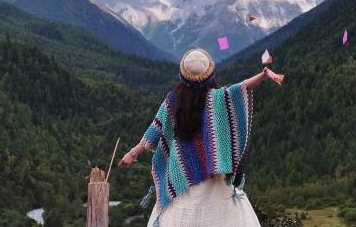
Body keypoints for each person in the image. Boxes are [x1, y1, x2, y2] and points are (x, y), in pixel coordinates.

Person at [118, 48, 284, 227]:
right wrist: (264, 74)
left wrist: (132, 154)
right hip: (215, 175)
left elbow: (154, 130)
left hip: (178, 176)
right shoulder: (218, 99)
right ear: (210, 75)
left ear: (183, 76)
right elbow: (242, 87)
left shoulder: (173, 101)